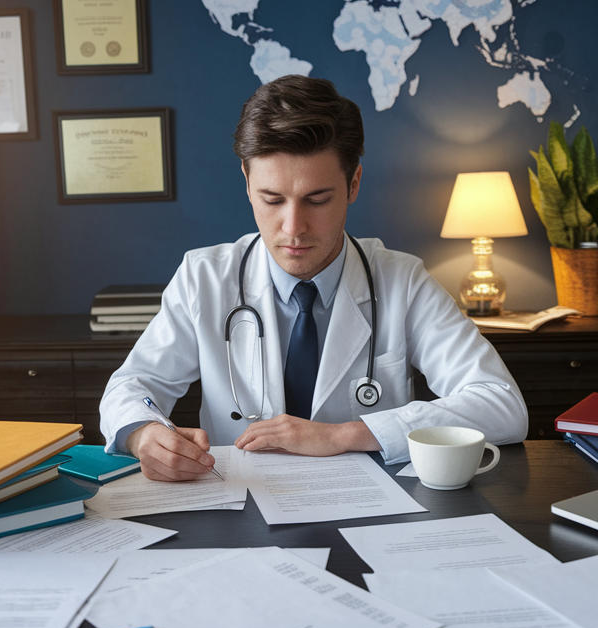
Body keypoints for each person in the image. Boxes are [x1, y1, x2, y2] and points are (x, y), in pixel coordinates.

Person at [99, 75, 528, 481]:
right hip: (242, 505)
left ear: (353, 183)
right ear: (247, 183)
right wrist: (142, 435)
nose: (293, 227)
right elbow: (132, 385)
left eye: (317, 199)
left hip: (372, 511)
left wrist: (342, 435)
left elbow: (502, 405)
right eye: (272, 199)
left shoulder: (403, 280)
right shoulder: (204, 277)